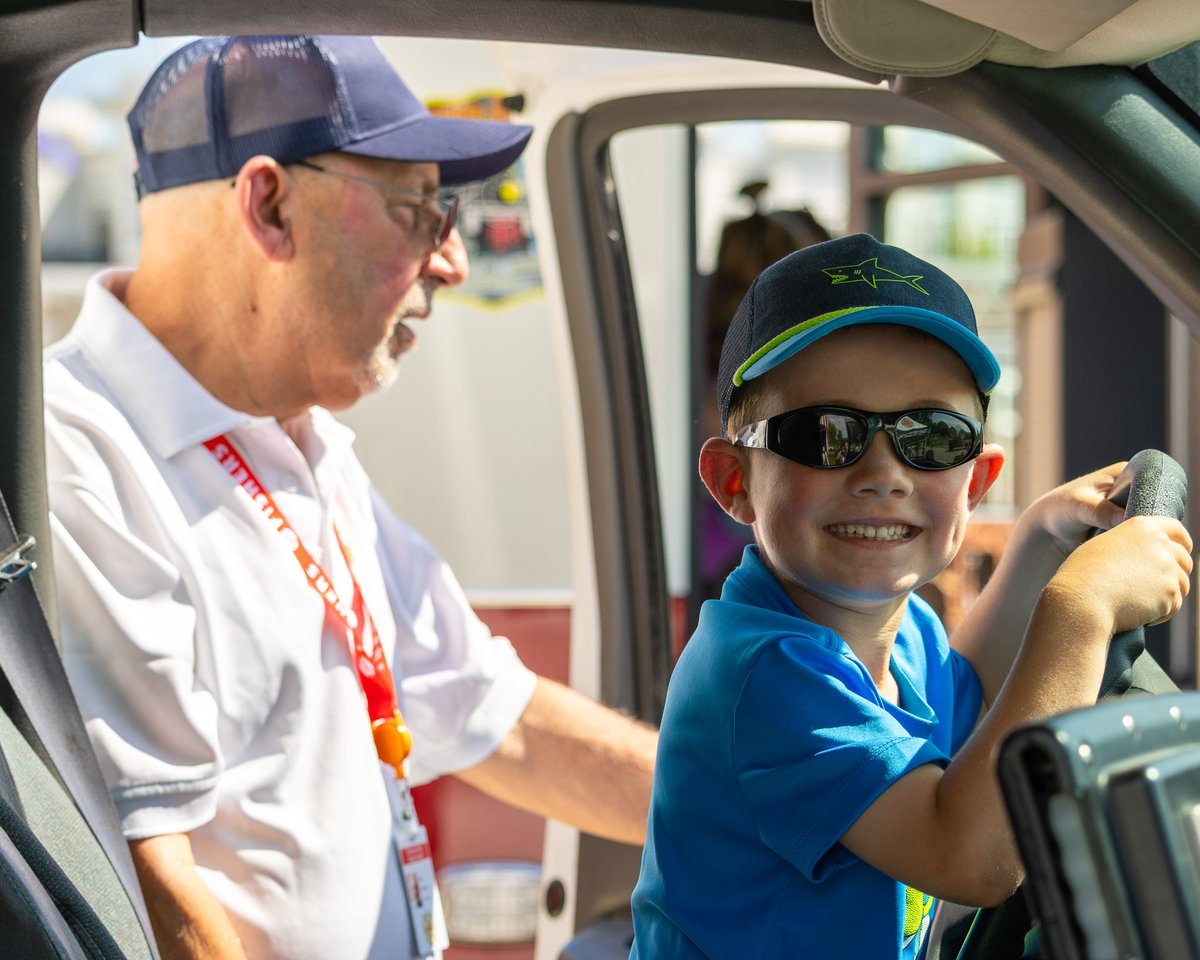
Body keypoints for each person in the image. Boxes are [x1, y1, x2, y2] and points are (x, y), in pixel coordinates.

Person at [43, 35, 657, 960]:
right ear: (269, 204)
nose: (449, 260)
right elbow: (154, 900)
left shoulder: (302, 440)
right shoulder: (82, 454)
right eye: (419, 207)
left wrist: (792, 815)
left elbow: (499, 717)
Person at [629, 233, 1192, 958]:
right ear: (735, 482)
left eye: (931, 437)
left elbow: (977, 695)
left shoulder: (905, 630)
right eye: (828, 433)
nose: (883, 472)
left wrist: (1039, 545)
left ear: (975, 483)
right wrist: (1082, 608)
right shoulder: (762, 675)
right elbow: (974, 856)